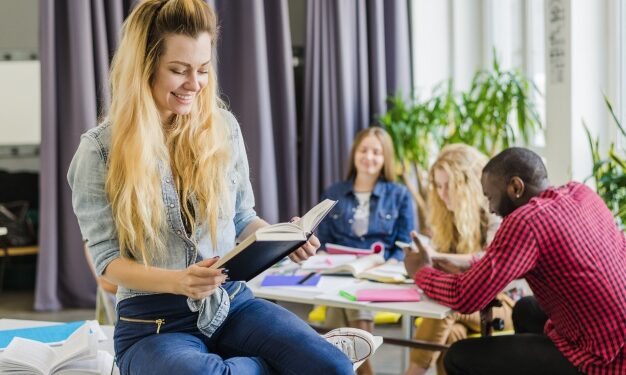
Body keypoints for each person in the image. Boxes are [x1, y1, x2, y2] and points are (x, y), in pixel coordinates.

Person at [67, 1, 375, 374]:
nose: (194, 84)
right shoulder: (99, 150)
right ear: (143, 69)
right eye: (179, 71)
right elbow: (108, 264)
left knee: (337, 368)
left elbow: (243, 217)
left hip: (230, 303)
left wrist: (286, 237)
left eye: (203, 70)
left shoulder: (224, 128)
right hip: (152, 325)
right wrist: (179, 281)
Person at [404, 147, 626, 375]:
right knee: (525, 309)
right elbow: (532, 258)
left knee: (458, 356)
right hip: (616, 333)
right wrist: (467, 263)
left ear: (515, 187)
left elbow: (466, 297)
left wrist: (421, 271)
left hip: (605, 360)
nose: (490, 208)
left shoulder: (526, 221)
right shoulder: (580, 193)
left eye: (491, 197)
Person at [404, 144, 514, 375]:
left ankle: (412, 373)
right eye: (438, 186)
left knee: (449, 302)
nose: (442, 194)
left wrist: (437, 258)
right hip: (463, 299)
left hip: (500, 303)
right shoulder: (445, 215)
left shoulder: (494, 211)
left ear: (467, 185)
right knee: (453, 337)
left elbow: (491, 259)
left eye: (449, 186)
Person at [316, 126, 416, 375]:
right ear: (354, 154)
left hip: (380, 274)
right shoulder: (334, 193)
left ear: (385, 159)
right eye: (364, 150)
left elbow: (405, 245)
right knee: (346, 294)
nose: (369, 157)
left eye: (376, 152)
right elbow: (324, 242)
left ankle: (355, 369)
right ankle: (361, 369)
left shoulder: (399, 195)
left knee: (346, 300)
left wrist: (385, 264)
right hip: (338, 273)